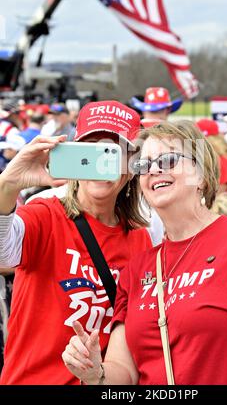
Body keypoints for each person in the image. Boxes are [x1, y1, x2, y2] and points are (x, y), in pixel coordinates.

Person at [63, 120, 227, 385]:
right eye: (143, 165)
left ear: (200, 175)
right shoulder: (138, 268)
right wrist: (96, 373)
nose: (153, 171)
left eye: (168, 160)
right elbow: (124, 372)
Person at [0, 100, 152, 385]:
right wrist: (7, 184)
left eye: (112, 152)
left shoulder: (140, 237)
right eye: (90, 150)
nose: (100, 163)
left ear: (131, 165)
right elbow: (2, 254)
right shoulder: (45, 213)